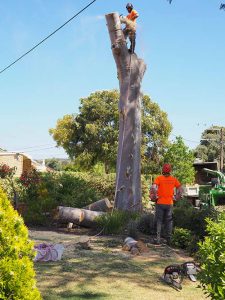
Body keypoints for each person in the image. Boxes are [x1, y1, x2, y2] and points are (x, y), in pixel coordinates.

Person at [150, 164, 182, 245]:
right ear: (170, 170)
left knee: (159, 221)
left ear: (163, 170)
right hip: (169, 203)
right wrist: (177, 197)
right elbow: (180, 189)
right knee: (169, 221)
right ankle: (169, 240)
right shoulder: (174, 179)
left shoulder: (159, 178)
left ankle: (157, 239)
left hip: (160, 203)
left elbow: (153, 188)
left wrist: (154, 197)